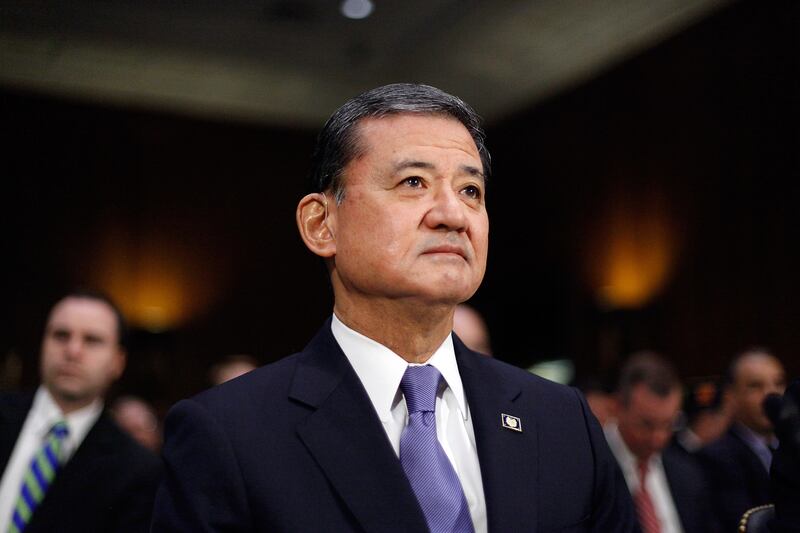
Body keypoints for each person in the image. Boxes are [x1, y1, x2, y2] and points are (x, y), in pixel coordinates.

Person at [152, 83, 635, 532]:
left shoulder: (561, 420)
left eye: (470, 191)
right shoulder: (230, 434)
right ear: (321, 224)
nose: (452, 214)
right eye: (413, 182)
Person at [0, 290, 162, 532]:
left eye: (92, 340)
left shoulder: (137, 470)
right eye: (61, 335)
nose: (73, 350)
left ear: (118, 362)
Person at [604, 352, 713, 533]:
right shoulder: (592, 468)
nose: (658, 438)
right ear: (617, 407)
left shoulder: (687, 473)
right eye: (646, 425)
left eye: (669, 424)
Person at [698, 348, 787, 532]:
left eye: (778, 383)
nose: (771, 395)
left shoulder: (789, 446)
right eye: (755, 386)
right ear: (731, 395)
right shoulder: (718, 457)